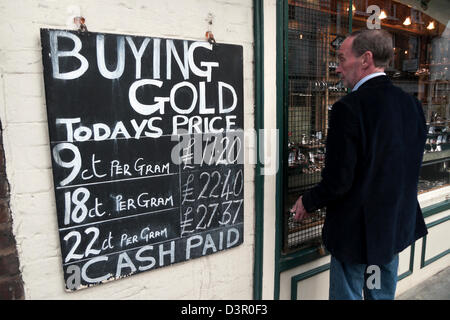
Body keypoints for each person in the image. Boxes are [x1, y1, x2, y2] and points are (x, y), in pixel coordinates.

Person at [291, 29, 428, 300]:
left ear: (365, 59)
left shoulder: (348, 108)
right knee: (379, 295)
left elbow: (338, 181)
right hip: (392, 228)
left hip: (357, 234)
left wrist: (307, 201)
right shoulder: (411, 105)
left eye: (342, 59)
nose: (338, 68)